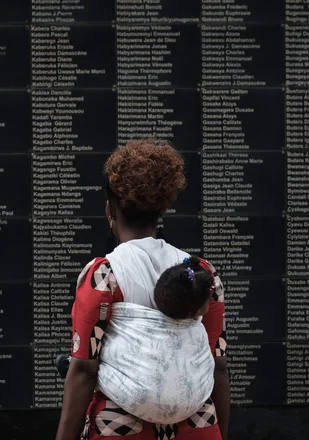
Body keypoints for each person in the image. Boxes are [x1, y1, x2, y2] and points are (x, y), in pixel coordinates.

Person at [55, 139, 229, 440]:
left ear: (110, 210)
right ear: (162, 208)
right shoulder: (202, 274)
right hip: (198, 426)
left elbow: (83, 370)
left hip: (123, 429)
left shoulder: (104, 275)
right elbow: (219, 365)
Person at [94, 255, 218, 426]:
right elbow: (218, 366)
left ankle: (70, 363)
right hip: (193, 406)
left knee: (99, 366)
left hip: (132, 400)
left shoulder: (130, 313)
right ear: (197, 311)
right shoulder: (198, 331)